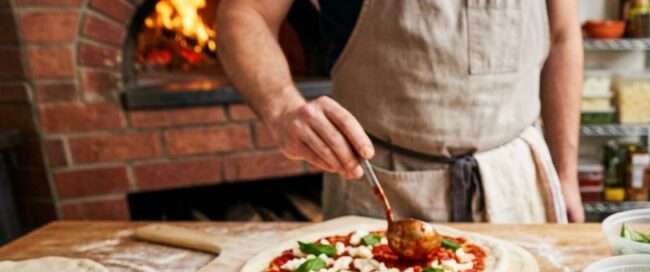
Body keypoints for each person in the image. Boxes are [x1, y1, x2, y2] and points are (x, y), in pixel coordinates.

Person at [218, 0, 583, 223]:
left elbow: (565, 36)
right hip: (383, 190)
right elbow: (244, 11)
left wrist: (566, 174)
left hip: (516, 185)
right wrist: (281, 105)